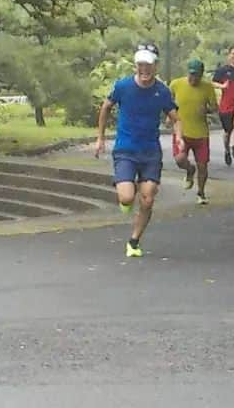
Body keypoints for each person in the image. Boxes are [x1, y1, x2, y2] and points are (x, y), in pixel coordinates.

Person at [94, 42, 183, 258]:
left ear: (156, 66)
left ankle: (134, 240)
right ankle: (127, 199)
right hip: (126, 149)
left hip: (150, 151)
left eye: (149, 65)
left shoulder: (161, 91)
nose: (145, 69)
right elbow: (106, 107)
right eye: (141, 64)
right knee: (126, 197)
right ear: (136, 65)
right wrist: (100, 137)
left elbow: (175, 117)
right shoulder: (123, 86)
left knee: (148, 198)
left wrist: (178, 136)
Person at [168, 58, 219, 205]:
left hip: (201, 132)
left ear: (201, 75)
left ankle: (201, 192)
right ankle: (190, 171)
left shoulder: (207, 87)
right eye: (191, 74)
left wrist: (207, 110)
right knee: (179, 159)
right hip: (181, 131)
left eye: (196, 75)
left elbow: (215, 108)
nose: (193, 78)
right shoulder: (176, 84)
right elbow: (167, 102)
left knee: (202, 165)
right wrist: (169, 115)